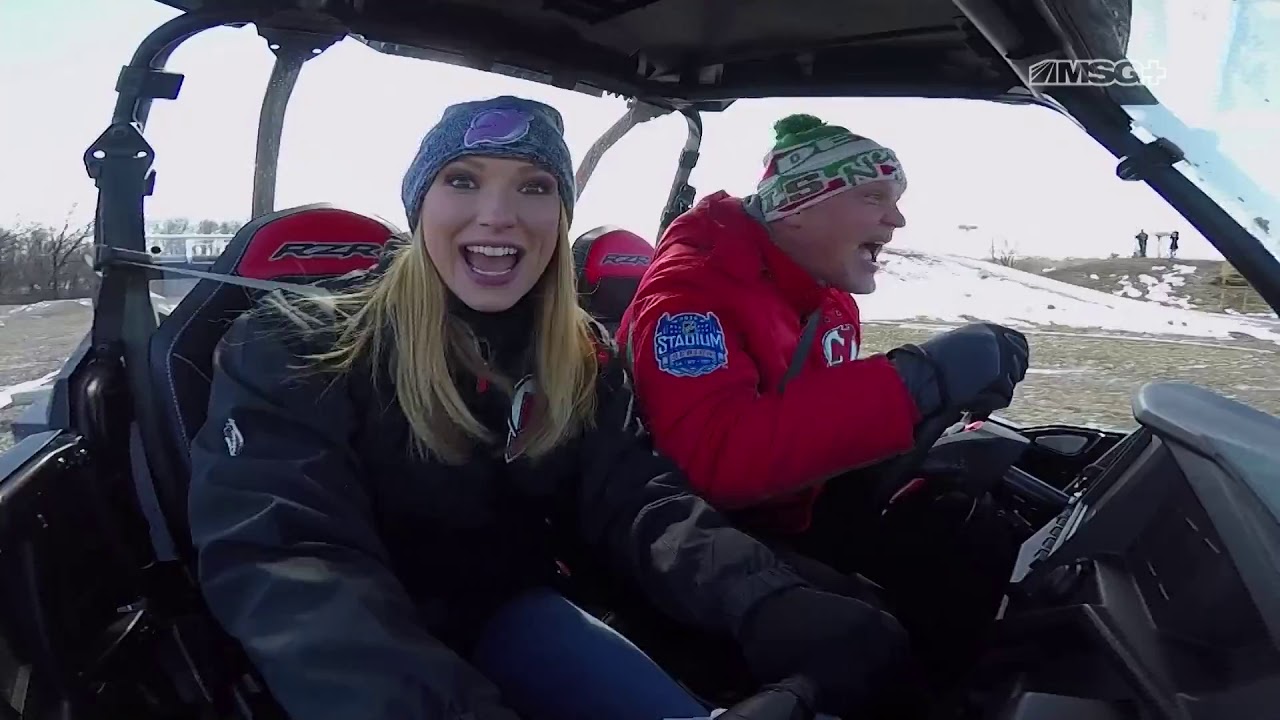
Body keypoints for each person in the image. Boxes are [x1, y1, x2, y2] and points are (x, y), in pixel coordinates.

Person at [187, 97, 915, 720]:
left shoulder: (575, 352)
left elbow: (635, 500)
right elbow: (294, 561)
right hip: (358, 669)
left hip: (517, 618)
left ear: (561, 215)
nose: (498, 215)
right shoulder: (299, 346)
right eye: (463, 181)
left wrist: (764, 600)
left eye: (534, 188)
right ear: (420, 205)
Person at [617, 113, 1030, 688]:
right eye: (874, 197)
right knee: (875, 638)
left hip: (799, 508)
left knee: (968, 533)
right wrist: (917, 380)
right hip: (691, 536)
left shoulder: (829, 300)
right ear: (801, 205)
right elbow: (715, 460)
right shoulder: (690, 295)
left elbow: (811, 411)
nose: (897, 217)